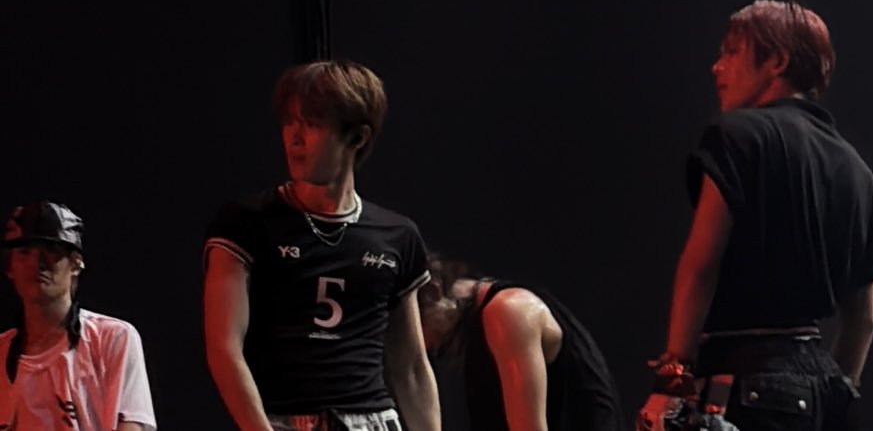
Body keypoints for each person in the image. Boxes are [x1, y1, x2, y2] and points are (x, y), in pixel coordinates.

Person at [637, 0, 873, 430]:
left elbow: (702, 264)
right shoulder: (861, 174)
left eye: (731, 52)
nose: (716, 67)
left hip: (744, 382)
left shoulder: (737, 136)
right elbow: (863, 321)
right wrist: (835, 396)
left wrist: (672, 378)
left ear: (777, 61)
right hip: (820, 389)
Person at [202, 61, 440, 431]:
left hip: (373, 419)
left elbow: (410, 365)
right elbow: (224, 348)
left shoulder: (397, 234)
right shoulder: (247, 223)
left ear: (357, 137)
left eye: (312, 123)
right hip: (284, 419)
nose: (294, 138)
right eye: (289, 122)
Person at [419, 255, 625, 430]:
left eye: (410, 326)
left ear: (433, 293)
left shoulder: (508, 310)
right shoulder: (479, 325)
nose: (418, 344)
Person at [0, 201, 157, 430]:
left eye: (51, 251)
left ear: (76, 264)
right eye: (25, 252)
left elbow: (132, 424)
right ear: (10, 268)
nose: (37, 263)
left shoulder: (112, 338)